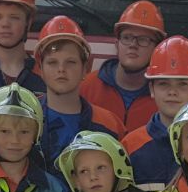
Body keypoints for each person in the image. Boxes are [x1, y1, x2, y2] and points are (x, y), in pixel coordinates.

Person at [122, 36, 188, 192]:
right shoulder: (130, 147)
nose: (172, 92)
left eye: (182, 84)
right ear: (152, 89)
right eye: (163, 84)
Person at [34, 15, 122, 162]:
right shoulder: (24, 120)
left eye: (71, 62)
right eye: (52, 62)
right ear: (41, 70)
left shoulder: (110, 125)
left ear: (84, 70)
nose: (61, 69)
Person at [81, 0, 166, 130]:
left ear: (157, 49)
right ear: (117, 44)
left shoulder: (165, 97)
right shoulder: (87, 87)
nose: (133, 45)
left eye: (143, 40)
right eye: (127, 37)